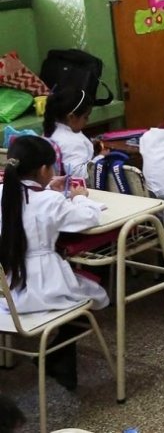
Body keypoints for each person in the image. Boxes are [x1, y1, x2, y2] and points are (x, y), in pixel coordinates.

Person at [0, 136, 109, 391]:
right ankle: (54, 356)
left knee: (83, 289)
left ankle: (60, 361)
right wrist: (80, 196)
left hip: (9, 293)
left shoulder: (7, 193)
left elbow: (29, 206)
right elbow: (88, 218)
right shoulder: (48, 202)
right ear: (44, 170)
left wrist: (49, 190)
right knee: (98, 295)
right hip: (43, 284)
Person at [42, 87, 106, 179]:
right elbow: (79, 175)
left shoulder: (51, 129)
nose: (87, 120)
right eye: (86, 117)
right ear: (71, 117)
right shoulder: (72, 142)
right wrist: (100, 157)